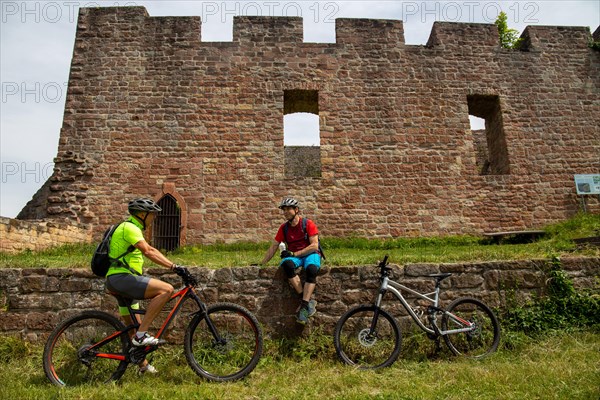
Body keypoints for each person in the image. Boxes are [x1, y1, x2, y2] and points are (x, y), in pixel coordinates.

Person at [105, 198, 186, 374]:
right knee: (166, 289)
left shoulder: (130, 227)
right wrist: (174, 267)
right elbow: (148, 251)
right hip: (122, 278)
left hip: (120, 280)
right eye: (152, 215)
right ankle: (142, 336)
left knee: (133, 329)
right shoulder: (130, 228)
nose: (154, 218)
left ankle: (143, 366)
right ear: (142, 214)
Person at [260, 198, 321, 325]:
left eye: (288, 209)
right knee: (286, 264)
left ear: (296, 210)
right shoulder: (284, 228)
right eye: (284, 210)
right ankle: (305, 302)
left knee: (311, 270)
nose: (286, 212)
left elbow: (314, 246)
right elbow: (274, 246)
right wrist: (262, 263)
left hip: (310, 253)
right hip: (295, 257)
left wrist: (294, 253)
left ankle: (303, 306)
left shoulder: (308, 224)